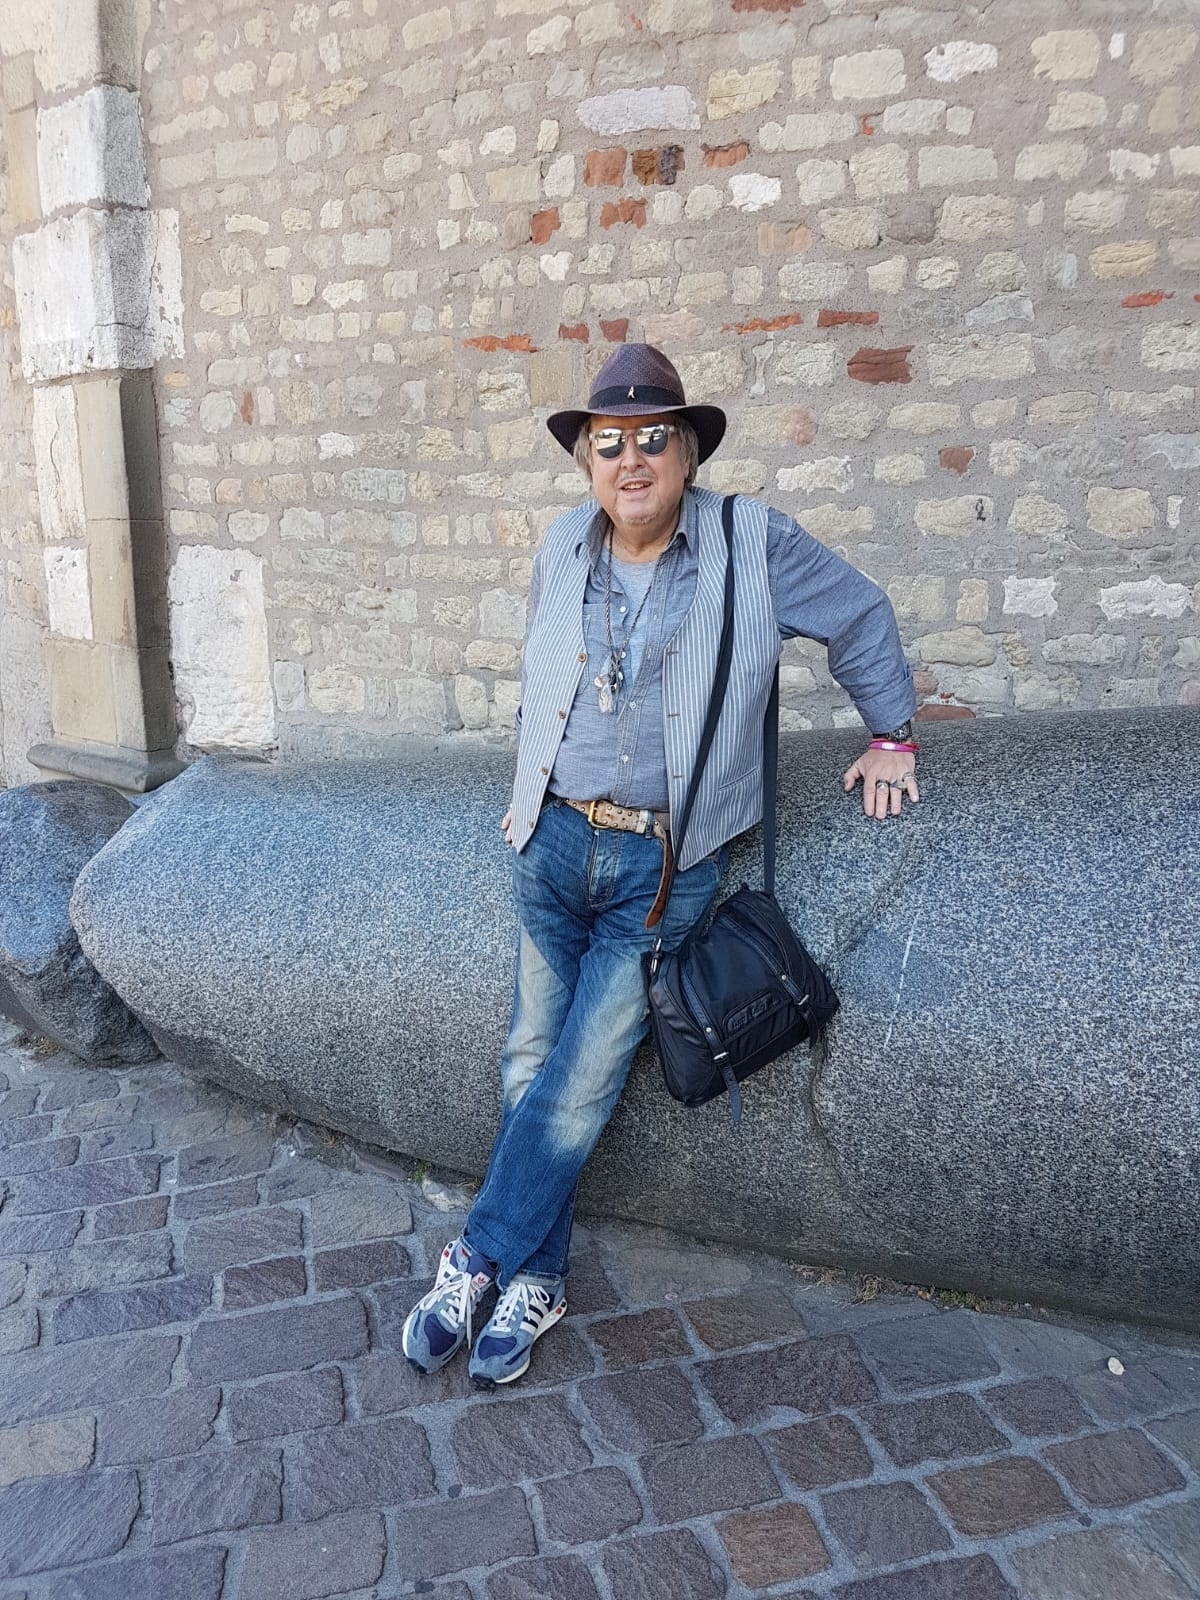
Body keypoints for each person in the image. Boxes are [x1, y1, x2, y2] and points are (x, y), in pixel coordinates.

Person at [402, 344, 919, 1388]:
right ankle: (539, 1278)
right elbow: (542, 674)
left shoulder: (750, 541)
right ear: (587, 462)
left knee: (585, 1074)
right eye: (609, 444)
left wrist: (892, 735)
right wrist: (529, 784)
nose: (629, 460)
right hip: (552, 843)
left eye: (651, 439)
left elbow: (860, 611)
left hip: (663, 865)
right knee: (529, 1059)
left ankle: (478, 1256)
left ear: (686, 454)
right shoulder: (563, 544)